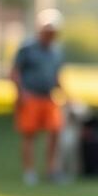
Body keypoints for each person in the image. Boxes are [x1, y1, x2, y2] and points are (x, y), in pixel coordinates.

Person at [11, 9, 65, 185]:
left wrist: (65, 95)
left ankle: (51, 170)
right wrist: (21, 93)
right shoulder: (27, 48)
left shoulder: (56, 51)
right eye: (47, 31)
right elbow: (15, 72)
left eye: (53, 32)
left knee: (55, 132)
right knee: (29, 134)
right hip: (31, 97)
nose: (50, 35)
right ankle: (29, 172)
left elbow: (57, 77)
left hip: (48, 97)